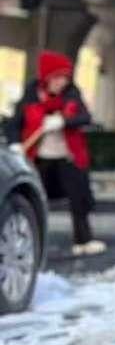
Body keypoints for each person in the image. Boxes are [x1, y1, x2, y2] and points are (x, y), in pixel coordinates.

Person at [4, 51, 105, 256]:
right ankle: (30, 244)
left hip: (67, 156)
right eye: (58, 77)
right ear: (47, 77)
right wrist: (15, 144)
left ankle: (83, 240)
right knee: (33, 199)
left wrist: (64, 121)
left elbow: (85, 117)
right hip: (37, 158)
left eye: (65, 77)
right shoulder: (31, 94)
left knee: (78, 198)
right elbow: (14, 124)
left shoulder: (72, 93)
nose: (62, 82)